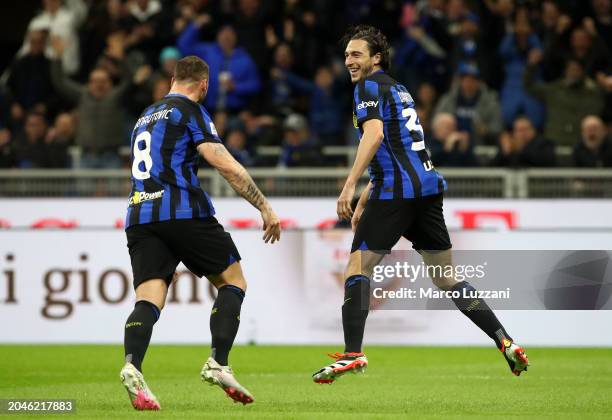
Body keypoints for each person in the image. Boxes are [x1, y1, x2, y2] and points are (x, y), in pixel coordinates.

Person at [311, 25, 529, 384]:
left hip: (398, 191)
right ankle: (503, 339)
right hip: (426, 189)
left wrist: (349, 186)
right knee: (447, 277)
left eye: (356, 54)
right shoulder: (399, 89)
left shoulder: (367, 87)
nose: (349, 61)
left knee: (356, 270)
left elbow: (375, 135)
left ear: (375, 58)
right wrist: (367, 197)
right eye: (347, 54)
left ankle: (353, 354)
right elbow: (398, 149)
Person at [120, 56, 281, 410]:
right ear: (204, 85)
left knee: (148, 298)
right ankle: (218, 362)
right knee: (233, 282)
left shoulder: (143, 117)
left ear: (173, 78)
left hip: (139, 214)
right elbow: (223, 162)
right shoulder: (189, 110)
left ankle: (132, 364)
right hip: (182, 211)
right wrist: (264, 207)